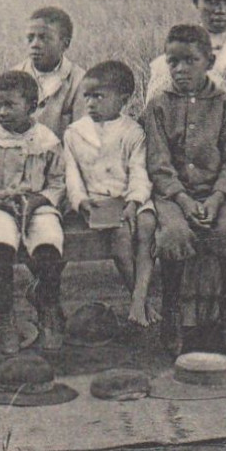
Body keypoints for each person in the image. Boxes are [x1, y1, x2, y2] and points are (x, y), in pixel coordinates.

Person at [145, 24, 226, 356]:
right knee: (173, 236)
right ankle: (172, 314)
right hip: (174, 196)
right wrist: (183, 200)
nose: (180, 69)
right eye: (173, 61)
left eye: (190, 60)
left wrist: (218, 199)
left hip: (216, 194)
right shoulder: (158, 106)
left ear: (209, 60)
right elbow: (158, 164)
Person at [0, 70, 67, 354]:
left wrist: (40, 200)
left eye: (9, 105)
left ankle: (47, 310)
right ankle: (6, 316)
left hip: (38, 206)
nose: (1, 112)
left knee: (48, 241)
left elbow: (58, 181)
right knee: (1, 244)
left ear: (31, 106)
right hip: (0, 206)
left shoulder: (47, 139)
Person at [64, 60, 157, 328]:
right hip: (98, 202)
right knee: (121, 240)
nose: (91, 103)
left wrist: (134, 201)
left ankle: (139, 298)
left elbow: (139, 171)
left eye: (99, 96)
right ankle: (140, 301)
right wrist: (81, 202)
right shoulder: (75, 133)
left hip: (130, 198)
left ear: (122, 100)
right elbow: (71, 175)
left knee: (147, 225)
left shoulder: (132, 132)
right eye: (87, 97)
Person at [18, 6, 87, 141]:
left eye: (44, 38)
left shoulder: (80, 81)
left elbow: (82, 138)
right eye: (30, 38)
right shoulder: (14, 76)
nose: (35, 44)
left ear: (65, 44)